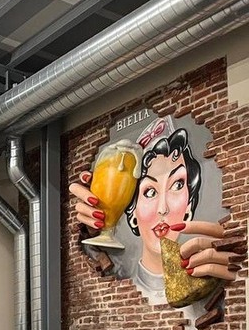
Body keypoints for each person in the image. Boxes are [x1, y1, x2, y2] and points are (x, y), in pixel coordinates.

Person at [69, 128, 236, 305]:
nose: (163, 209)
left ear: (189, 205)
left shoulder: (207, 275)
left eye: (177, 185)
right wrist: (90, 231)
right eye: (149, 192)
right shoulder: (115, 285)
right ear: (132, 212)